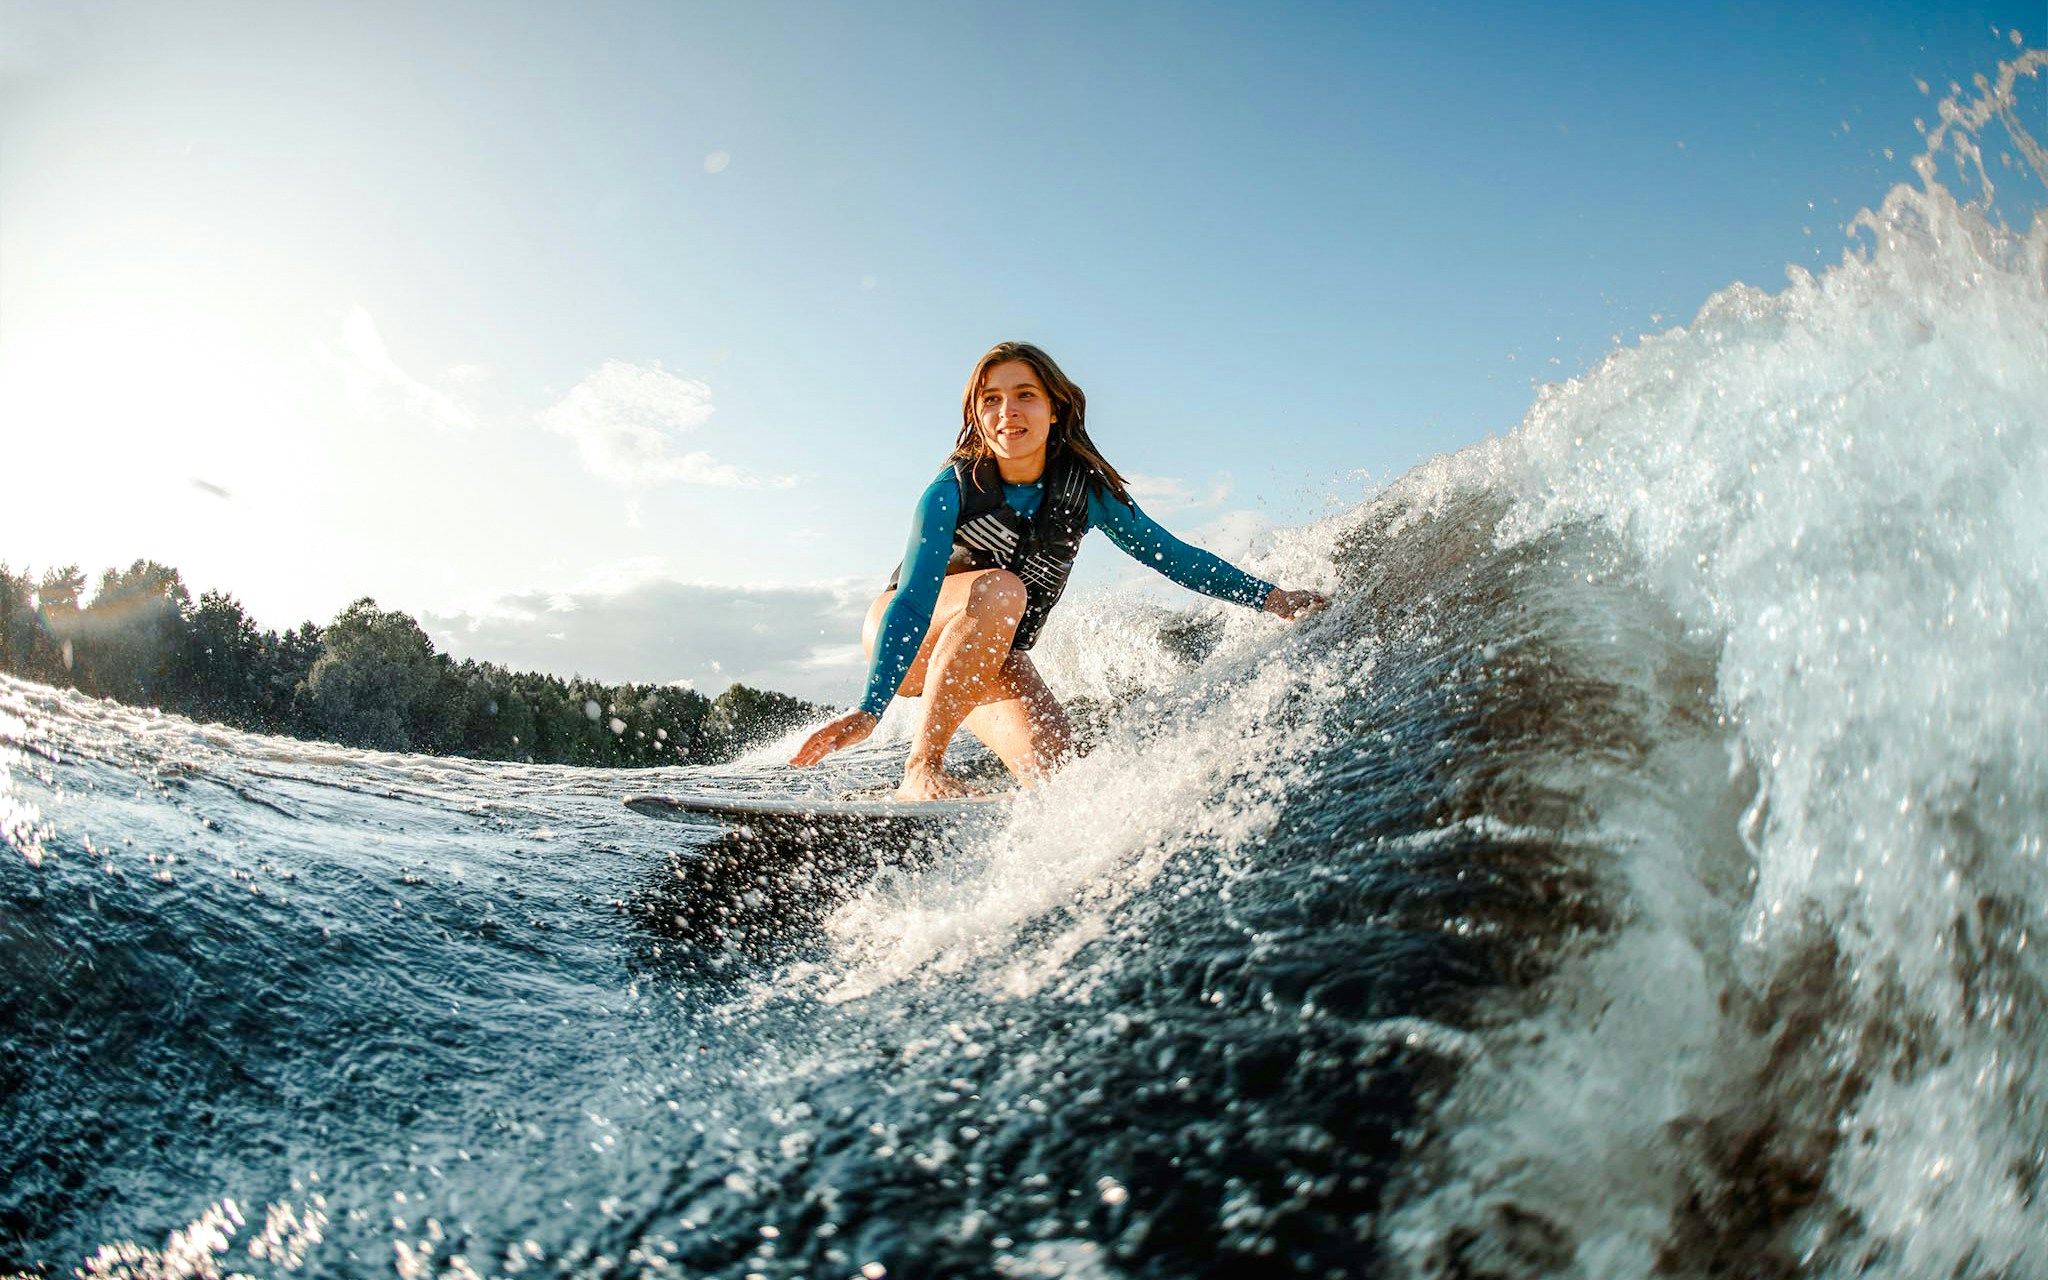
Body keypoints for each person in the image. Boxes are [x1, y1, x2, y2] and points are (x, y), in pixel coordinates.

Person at [790, 341, 1328, 800]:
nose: (1009, 412)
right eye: (992, 400)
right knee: (1003, 590)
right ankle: (921, 768)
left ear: (1055, 408)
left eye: (1025, 395)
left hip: (983, 655)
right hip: (909, 636)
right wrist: (870, 706)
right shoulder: (950, 491)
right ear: (978, 416)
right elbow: (911, 602)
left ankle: (948, 800)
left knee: (1063, 781)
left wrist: (1271, 597)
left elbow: (1175, 557)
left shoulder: (1087, 494)